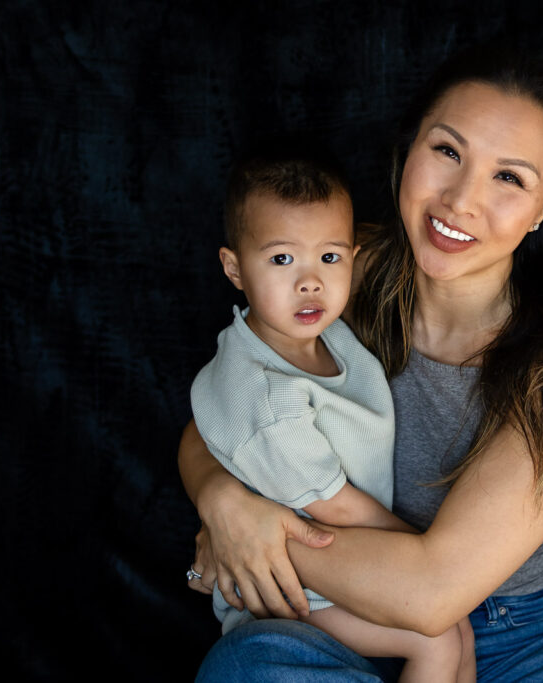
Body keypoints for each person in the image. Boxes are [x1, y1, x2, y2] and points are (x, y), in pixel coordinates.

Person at [179, 43, 543, 681]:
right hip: (332, 622)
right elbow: (219, 413)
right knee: (253, 666)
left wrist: (259, 540)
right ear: (409, 150)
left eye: (509, 178)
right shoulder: (332, 274)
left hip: (516, 638)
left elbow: (434, 595)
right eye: (447, 151)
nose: (461, 199)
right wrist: (223, 501)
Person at [187, 147, 475, 682]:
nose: (310, 282)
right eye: (281, 259)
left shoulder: (331, 335)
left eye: (329, 257)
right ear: (233, 268)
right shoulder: (266, 393)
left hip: (348, 564)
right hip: (289, 590)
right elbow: (335, 509)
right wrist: (424, 559)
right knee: (437, 638)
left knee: (455, 631)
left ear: (353, 255)